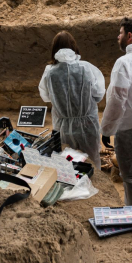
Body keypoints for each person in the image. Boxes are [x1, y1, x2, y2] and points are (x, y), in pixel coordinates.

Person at [101, 17, 132, 216]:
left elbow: (116, 99)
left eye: (120, 33)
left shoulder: (124, 62)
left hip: (129, 129)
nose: (118, 36)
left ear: (130, 36)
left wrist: (107, 128)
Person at [39, 31, 105, 170]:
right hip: (88, 125)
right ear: (74, 47)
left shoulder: (50, 72)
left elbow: (46, 97)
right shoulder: (87, 68)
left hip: (63, 126)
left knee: (68, 162)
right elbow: (98, 95)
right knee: (91, 162)